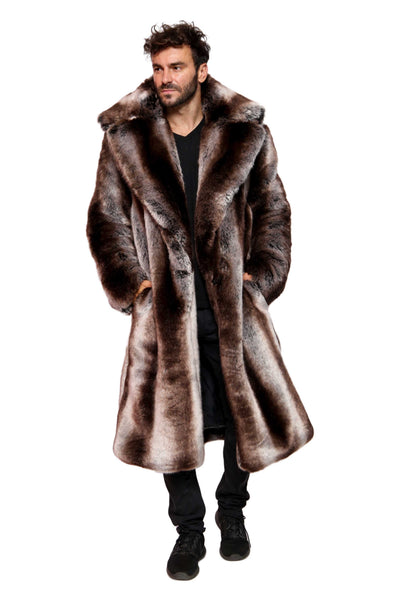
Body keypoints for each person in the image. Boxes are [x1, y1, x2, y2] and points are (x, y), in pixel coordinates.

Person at [87, 21, 313, 580]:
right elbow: (106, 219)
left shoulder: (244, 134)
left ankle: (232, 512)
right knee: (170, 418)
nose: (165, 78)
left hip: (232, 302)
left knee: (244, 409)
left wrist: (260, 278)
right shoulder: (126, 140)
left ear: (201, 71)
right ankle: (188, 531)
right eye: (158, 68)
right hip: (164, 308)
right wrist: (135, 287)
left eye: (176, 67)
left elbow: (273, 210)